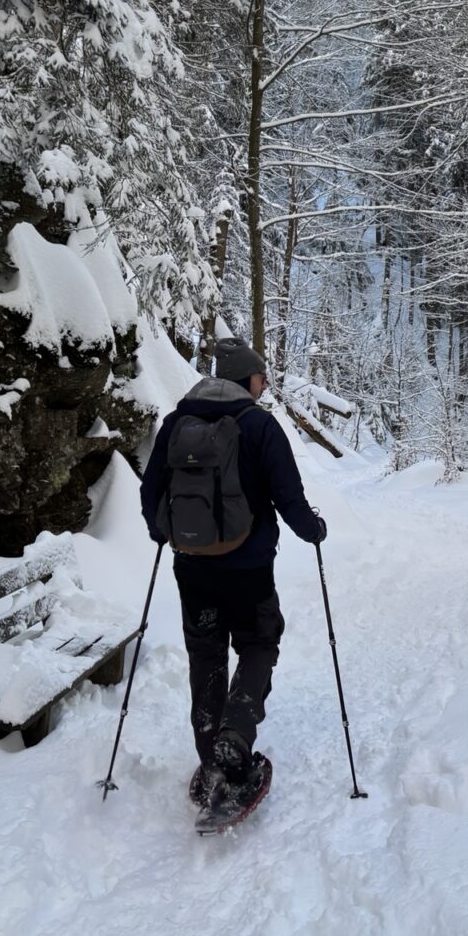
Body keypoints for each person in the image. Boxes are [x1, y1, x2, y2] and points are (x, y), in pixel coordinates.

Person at [139, 336, 326, 805]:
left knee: (206, 655)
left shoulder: (176, 423)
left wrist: (164, 535)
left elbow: (151, 494)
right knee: (259, 642)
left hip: (193, 571)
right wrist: (314, 530)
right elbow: (289, 499)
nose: (266, 384)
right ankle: (236, 737)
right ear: (248, 379)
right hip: (249, 570)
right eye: (262, 376)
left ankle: (210, 756)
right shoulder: (260, 426)